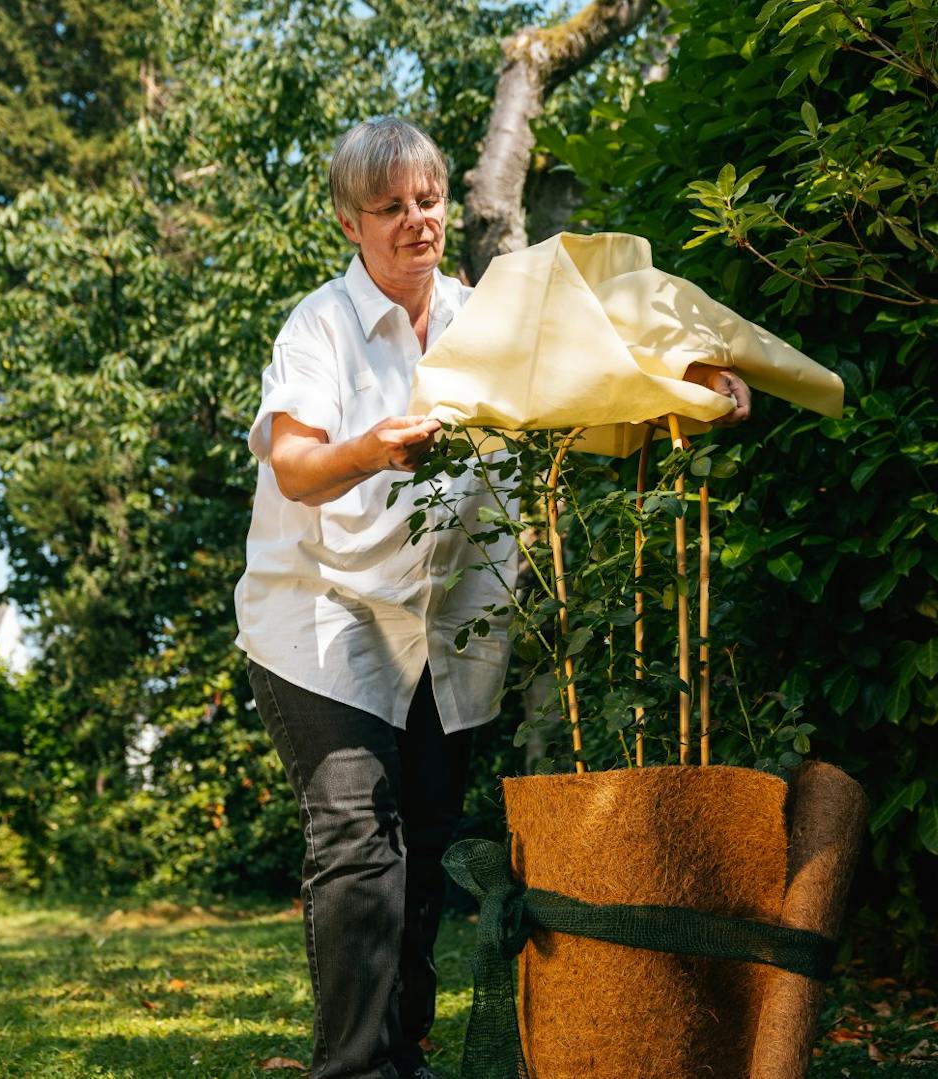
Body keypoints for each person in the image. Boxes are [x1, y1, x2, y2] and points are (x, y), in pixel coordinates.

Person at [233, 116, 751, 1079]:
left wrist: (696, 379)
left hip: (444, 626)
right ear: (352, 222)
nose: (416, 221)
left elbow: (602, 376)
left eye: (427, 200)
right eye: (390, 207)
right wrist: (374, 446)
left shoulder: (485, 321)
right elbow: (298, 466)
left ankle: (405, 1051)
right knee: (357, 835)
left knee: (423, 844)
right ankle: (353, 1071)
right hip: (319, 618)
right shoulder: (322, 326)